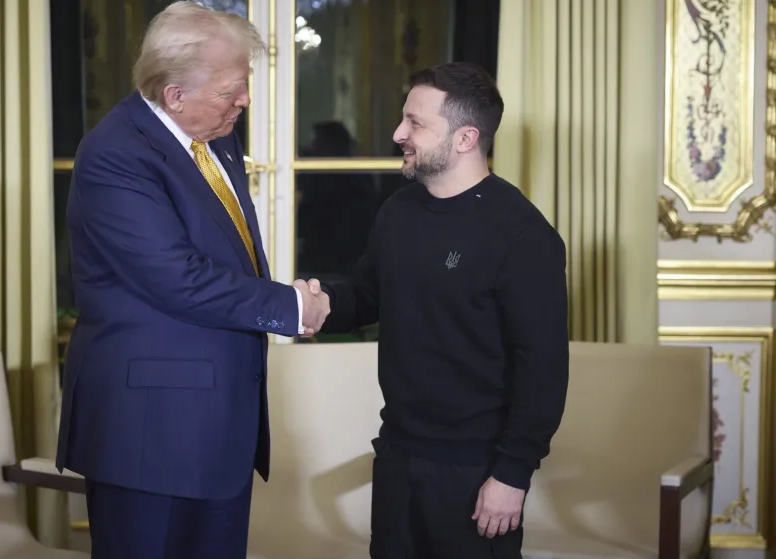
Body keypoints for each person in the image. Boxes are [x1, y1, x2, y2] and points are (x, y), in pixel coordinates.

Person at [54, 3, 330, 558]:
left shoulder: (215, 133)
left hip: (219, 428)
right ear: (174, 95)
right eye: (232, 90)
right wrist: (289, 307)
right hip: (149, 432)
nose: (245, 101)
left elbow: (227, 252)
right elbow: (174, 276)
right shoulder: (115, 154)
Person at [301, 62, 569, 558]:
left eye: (415, 123)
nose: (398, 133)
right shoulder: (398, 211)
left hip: (478, 469)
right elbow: (366, 296)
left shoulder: (525, 236)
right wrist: (315, 305)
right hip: (398, 453)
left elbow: (544, 369)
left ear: (466, 138)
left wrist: (512, 474)